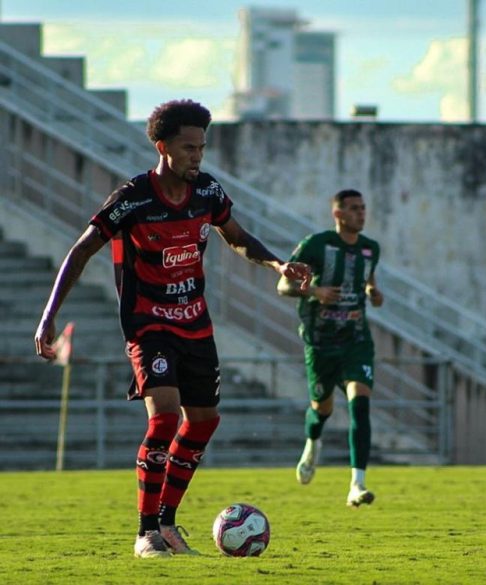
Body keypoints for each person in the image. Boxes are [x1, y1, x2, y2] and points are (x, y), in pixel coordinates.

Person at [34, 99, 311, 558]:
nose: (197, 156)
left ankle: (167, 523)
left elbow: (237, 238)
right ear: (163, 147)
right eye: (188, 148)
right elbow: (81, 251)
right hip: (149, 324)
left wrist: (279, 263)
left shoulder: (207, 192)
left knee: (203, 422)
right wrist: (49, 315)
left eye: (201, 147)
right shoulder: (133, 199)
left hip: (195, 324)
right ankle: (145, 532)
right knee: (163, 416)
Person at [277, 189, 384, 507]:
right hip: (320, 342)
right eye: (353, 209)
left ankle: (357, 484)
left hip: (356, 340)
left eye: (363, 208)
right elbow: (283, 284)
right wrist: (314, 291)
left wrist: (373, 293)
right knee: (322, 408)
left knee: (359, 402)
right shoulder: (317, 245)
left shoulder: (370, 249)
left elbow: (368, 281)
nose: (361, 214)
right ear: (338, 214)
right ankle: (312, 443)